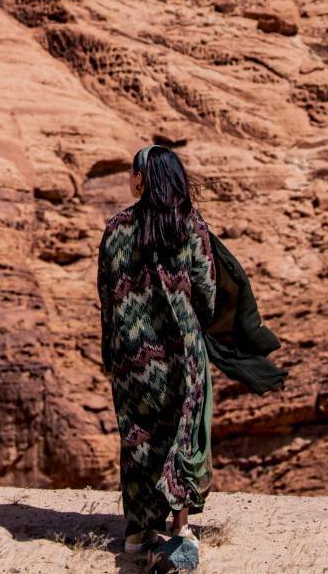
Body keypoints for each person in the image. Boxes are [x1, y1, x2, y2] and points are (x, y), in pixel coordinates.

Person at [98, 143, 216, 568]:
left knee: (138, 441)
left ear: (142, 178)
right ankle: (181, 527)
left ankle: (137, 532)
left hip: (132, 359)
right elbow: (206, 290)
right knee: (183, 436)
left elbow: (107, 299)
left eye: (133, 174)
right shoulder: (188, 224)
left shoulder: (115, 229)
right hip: (181, 355)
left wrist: (112, 354)